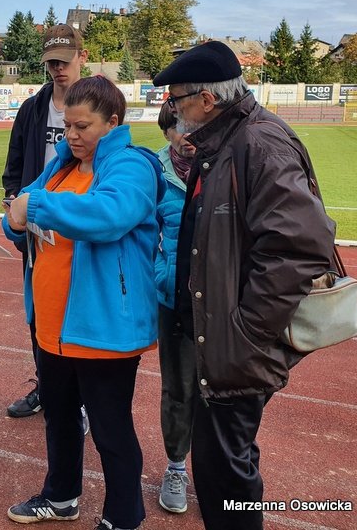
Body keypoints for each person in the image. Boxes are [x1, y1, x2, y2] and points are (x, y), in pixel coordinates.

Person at [152, 41, 336, 530]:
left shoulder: (257, 143)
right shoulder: (226, 141)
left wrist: (246, 333)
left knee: (225, 474)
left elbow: (300, 248)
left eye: (177, 98)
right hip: (223, 339)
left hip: (237, 347)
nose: (172, 108)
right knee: (223, 464)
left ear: (207, 99)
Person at [2, 76, 165, 530]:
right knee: (59, 417)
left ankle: (124, 518)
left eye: (82, 126)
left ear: (111, 122)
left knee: (111, 429)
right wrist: (18, 218)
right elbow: (15, 214)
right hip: (52, 324)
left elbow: (109, 215)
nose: (71, 135)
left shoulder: (131, 165)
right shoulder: (61, 165)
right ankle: (61, 497)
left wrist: (32, 207)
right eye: (68, 126)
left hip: (103, 327)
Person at [1, 24, 88, 422]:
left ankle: (81, 398)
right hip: (36, 228)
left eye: (64, 61)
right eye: (51, 62)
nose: (58, 69)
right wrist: (14, 204)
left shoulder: (98, 103)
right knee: (39, 312)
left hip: (80, 227)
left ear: (82, 57)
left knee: (79, 312)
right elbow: (15, 163)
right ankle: (47, 385)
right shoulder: (33, 108)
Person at [153, 105, 197, 514]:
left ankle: (221, 467)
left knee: (226, 391)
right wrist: (160, 274)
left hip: (222, 303)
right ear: (166, 133)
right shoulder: (155, 173)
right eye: (179, 128)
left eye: (193, 126)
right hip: (173, 300)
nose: (187, 135)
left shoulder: (224, 165)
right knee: (179, 389)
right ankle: (176, 467)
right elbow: (141, 233)